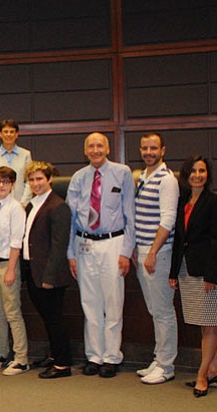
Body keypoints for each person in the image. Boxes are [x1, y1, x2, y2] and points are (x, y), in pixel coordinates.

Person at [66, 132, 135, 378]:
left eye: (99, 145)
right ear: (85, 150)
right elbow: (71, 219)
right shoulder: (78, 178)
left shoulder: (122, 173)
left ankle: (112, 357)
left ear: (107, 148)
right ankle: (94, 356)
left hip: (113, 243)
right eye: (91, 146)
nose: (95, 150)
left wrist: (127, 252)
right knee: (90, 303)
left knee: (113, 302)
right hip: (84, 244)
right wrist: (71, 253)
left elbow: (130, 215)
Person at [169, 155, 217, 398]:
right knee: (207, 324)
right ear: (186, 175)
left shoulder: (216, 202)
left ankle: (202, 375)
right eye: (193, 171)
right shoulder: (183, 201)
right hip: (187, 271)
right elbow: (179, 241)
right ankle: (215, 368)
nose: (197, 175)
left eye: (202, 171)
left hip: (209, 273)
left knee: (210, 326)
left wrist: (211, 276)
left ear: (208, 174)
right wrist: (173, 272)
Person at [133, 133, 179, 385]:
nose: (149, 151)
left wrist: (151, 252)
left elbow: (168, 219)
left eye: (154, 148)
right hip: (143, 251)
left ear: (163, 150)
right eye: (145, 148)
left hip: (158, 254)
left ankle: (166, 365)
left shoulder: (167, 180)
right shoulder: (143, 177)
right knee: (154, 310)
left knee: (163, 311)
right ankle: (158, 357)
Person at [21, 161, 73, 379]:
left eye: (40, 179)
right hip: (34, 271)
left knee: (54, 318)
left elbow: (59, 246)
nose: (36, 183)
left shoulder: (58, 205)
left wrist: (49, 277)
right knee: (47, 317)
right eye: (32, 179)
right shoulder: (32, 204)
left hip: (48, 275)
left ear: (50, 179)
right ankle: (55, 355)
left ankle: (62, 364)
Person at [0, 166, 29, 375]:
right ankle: (2, 352)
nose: (1, 185)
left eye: (5, 182)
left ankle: (21, 357)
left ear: (12, 185)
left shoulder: (16, 208)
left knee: (13, 312)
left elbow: (16, 242)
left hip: (7, 264)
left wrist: (11, 269)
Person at [0, 119, 32, 206]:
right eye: (5, 132)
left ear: (17, 134)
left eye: (12, 132)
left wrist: (23, 203)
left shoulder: (26, 154)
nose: (8, 135)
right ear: (0, 134)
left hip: (21, 203)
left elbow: (29, 181)